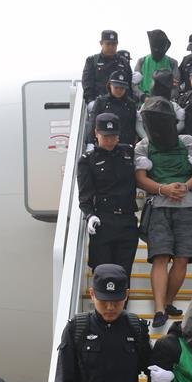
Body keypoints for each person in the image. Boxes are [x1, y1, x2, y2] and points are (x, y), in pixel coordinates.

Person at [134, 97, 192, 328]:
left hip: (187, 206)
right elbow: (139, 178)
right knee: (161, 256)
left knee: (182, 258)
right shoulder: (143, 146)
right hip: (158, 206)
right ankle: (159, 308)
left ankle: (167, 302)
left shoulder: (187, 141)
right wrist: (163, 189)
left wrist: (185, 186)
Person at [77, 112, 139, 283]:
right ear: (96, 133)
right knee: (104, 274)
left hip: (127, 220)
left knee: (124, 275)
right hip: (103, 220)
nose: (110, 140)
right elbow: (85, 195)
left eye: (113, 136)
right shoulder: (87, 160)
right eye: (105, 136)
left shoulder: (129, 152)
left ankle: (123, 301)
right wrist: (90, 215)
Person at [86, 70, 138, 147]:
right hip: (103, 145)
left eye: (122, 88)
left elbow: (133, 126)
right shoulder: (101, 102)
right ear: (110, 85)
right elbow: (92, 123)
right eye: (116, 87)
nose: (119, 90)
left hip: (124, 145)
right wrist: (90, 143)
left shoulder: (131, 104)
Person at [82, 30, 132, 106]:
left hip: (120, 104)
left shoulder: (123, 62)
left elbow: (129, 85)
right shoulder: (92, 60)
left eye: (114, 44)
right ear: (101, 43)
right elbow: (87, 83)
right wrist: (90, 101)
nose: (111, 47)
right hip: (99, 104)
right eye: (108, 44)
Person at [135, 69, 185, 138]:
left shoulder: (173, 106)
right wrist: (148, 139)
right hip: (150, 141)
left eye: (153, 83)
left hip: (167, 141)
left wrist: (168, 135)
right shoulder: (146, 105)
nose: (151, 85)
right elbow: (139, 124)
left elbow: (182, 123)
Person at [132, 29, 179, 103]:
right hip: (144, 103)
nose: (157, 51)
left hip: (166, 104)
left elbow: (176, 87)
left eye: (159, 48)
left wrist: (166, 99)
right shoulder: (141, 61)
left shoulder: (172, 63)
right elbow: (134, 85)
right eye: (155, 48)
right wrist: (143, 97)